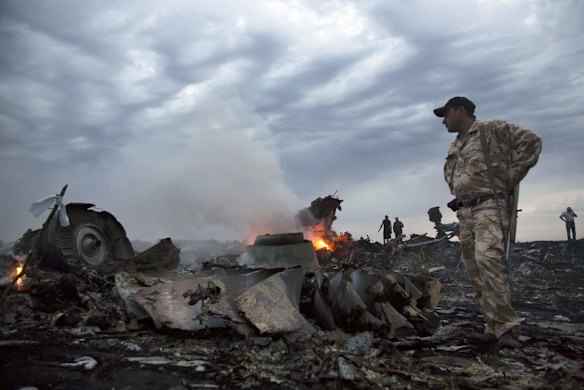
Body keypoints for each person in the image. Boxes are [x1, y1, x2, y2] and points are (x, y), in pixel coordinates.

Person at [435, 96, 542, 349]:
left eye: (446, 114)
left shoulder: (491, 130)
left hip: (489, 207)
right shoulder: (456, 144)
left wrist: (509, 179)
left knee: (488, 260)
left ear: (460, 111)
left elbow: (531, 142)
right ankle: (492, 327)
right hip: (466, 212)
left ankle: (507, 328)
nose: (443, 120)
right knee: (475, 269)